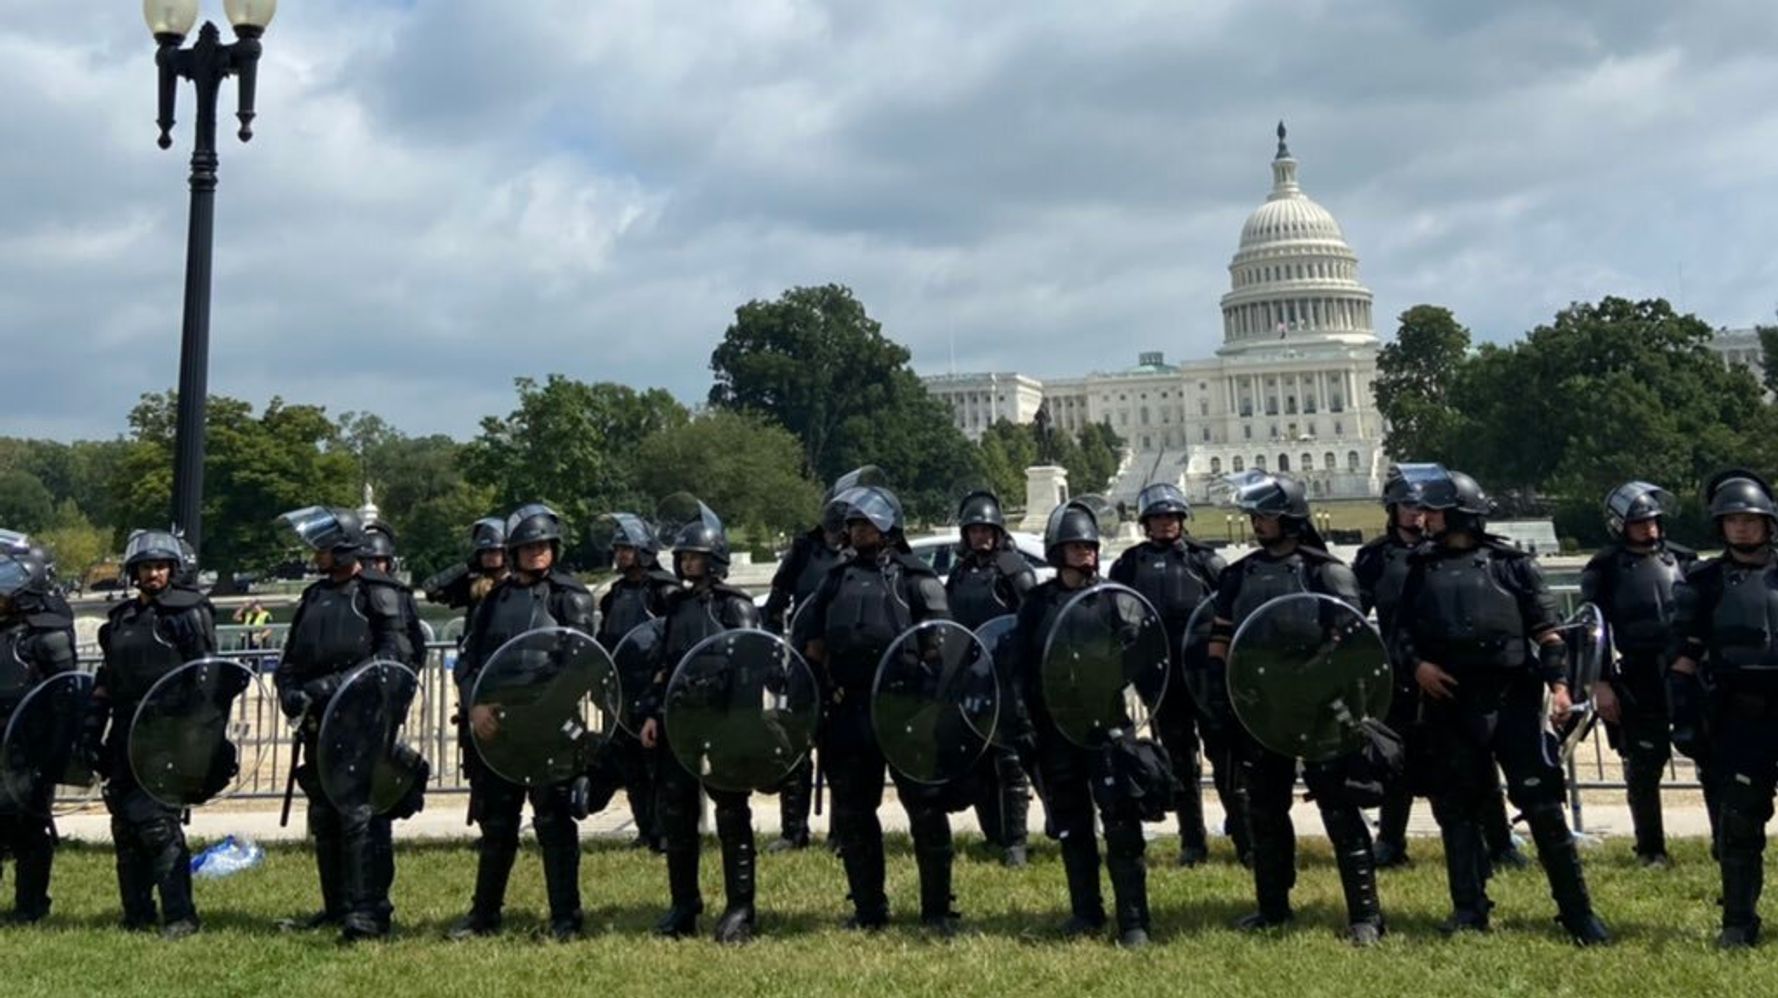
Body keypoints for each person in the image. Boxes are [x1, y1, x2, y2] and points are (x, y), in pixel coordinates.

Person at [1393, 468, 1609, 945]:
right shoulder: (1418, 567)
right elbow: (1401, 633)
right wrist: (1419, 667)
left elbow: (1547, 632)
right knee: (1457, 810)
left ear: (1459, 513)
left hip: (1511, 699)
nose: (1422, 517)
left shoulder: (1513, 564)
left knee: (1544, 808)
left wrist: (1558, 687)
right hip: (1449, 702)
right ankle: (1469, 909)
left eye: (1433, 510)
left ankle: (1578, 914)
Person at [1202, 471, 1386, 945]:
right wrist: (1222, 690)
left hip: (1322, 706)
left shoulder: (1327, 572)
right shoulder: (1238, 574)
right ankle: (1273, 906)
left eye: (1265, 516)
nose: (1257, 524)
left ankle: (1365, 915)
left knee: (1340, 810)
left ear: (1290, 518)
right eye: (1255, 516)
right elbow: (1222, 638)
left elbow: (1349, 640)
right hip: (1265, 708)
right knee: (1264, 809)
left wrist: (1318, 683)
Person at [796, 486, 957, 934]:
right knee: (853, 811)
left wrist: (929, 706)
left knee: (925, 809)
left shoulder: (916, 578)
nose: (856, 530)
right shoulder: (835, 578)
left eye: (865, 523)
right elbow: (809, 640)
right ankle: (868, 909)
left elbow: (941, 650)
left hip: (904, 710)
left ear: (889, 527)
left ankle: (938, 910)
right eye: (852, 524)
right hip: (849, 712)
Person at [1357, 468, 1526, 872]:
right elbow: (1356, 616)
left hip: (1451, 671)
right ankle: (1390, 841)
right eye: (1409, 506)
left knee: (1477, 761)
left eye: (1424, 507)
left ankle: (1498, 842)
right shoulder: (1376, 558)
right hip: (1400, 671)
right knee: (1395, 760)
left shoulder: (1451, 554)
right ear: (1393, 509)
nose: (1418, 514)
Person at [1005, 497, 1155, 948]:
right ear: (1057, 551)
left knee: (1123, 825)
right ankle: (1085, 913)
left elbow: (1141, 658)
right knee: (1071, 824)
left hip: (1106, 724)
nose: (1085, 553)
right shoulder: (1036, 604)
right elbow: (1021, 667)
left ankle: (1133, 921)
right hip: (1056, 726)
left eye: (1089, 546)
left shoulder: (1113, 600)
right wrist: (1025, 722)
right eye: (1075, 547)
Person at [449, 504, 596, 942]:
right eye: (527, 547)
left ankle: (566, 918)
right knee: (497, 823)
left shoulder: (571, 597)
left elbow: (585, 663)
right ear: (513, 552)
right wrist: (475, 705)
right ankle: (483, 915)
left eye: (542, 546)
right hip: (498, 723)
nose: (536, 553)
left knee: (554, 822)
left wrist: (545, 710)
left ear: (554, 547)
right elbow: (469, 660)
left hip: (550, 724)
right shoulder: (495, 598)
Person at [272, 506, 415, 943]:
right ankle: (336, 905)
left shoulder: (380, 593)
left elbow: (396, 657)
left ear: (345, 546)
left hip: (362, 722)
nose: (316, 553)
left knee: (362, 818)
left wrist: (330, 686)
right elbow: (292, 656)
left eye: (324, 546)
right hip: (319, 725)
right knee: (325, 816)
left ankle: (369, 912)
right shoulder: (314, 596)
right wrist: (290, 689)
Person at [638, 502, 765, 943]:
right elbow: (664, 665)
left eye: (695, 555)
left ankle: (740, 907)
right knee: (677, 813)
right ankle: (683, 904)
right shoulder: (677, 607)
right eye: (684, 556)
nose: (687, 561)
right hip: (681, 722)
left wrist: (741, 727)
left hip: (724, 724)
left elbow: (751, 670)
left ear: (714, 559)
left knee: (731, 813)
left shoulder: (737, 608)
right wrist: (654, 712)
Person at [87, 530, 217, 938]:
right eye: (146, 567)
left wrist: (192, 736)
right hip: (125, 730)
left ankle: (180, 915)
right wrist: (92, 728)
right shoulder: (122, 620)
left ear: (173, 570)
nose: (154, 573)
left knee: (158, 825)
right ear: (134, 572)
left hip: (168, 733)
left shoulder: (189, 613)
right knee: (124, 824)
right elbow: (107, 678)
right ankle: (137, 913)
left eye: (160, 566)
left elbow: (206, 677)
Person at [1670, 470, 1778, 948]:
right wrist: (1685, 718)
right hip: (1739, 716)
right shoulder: (1703, 581)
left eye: (1750, 520)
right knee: (1738, 827)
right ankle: (1738, 921)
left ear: (1768, 523)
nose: (1741, 528)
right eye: (1732, 520)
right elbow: (1681, 660)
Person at [1108, 482, 1236, 868]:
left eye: (1171, 516)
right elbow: (1115, 614)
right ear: (1146, 523)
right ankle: (1192, 841)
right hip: (1160, 681)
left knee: (1225, 756)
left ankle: (1245, 835)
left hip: (1206, 677)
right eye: (1157, 517)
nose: (1165, 524)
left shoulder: (1206, 562)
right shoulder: (1130, 564)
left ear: (1182, 519)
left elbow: (1231, 612)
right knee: (1179, 762)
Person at [1581, 481, 1698, 868]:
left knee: (1710, 759)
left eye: (1652, 521)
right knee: (1644, 767)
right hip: (1636, 674)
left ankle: (1726, 843)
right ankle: (1651, 849)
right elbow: (1592, 630)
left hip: (1687, 671)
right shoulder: (1605, 568)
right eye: (1639, 523)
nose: (1649, 528)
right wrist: (1600, 684)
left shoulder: (1685, 559)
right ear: (1620, 525)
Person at [944, 489, 1038, 867]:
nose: (980, 537)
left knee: (1011, 760)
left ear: (998, 532)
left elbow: (1032, 624)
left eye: (986, 530)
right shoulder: (960, 574)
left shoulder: (1014, 571)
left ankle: (1016, 841)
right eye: (973, 531)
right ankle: (993, 833)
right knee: (978, 761)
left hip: (1008, 678)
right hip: (972, 677)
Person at [759, 493, 848, 853]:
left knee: (842, 750)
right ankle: (793, 831)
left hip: (842, 664)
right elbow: (775, 604)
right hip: (802, 660)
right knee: (795, 745)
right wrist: (773, 656)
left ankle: (841, 833)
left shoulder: (859, 556)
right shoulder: (804, 551)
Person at [594, 513, 680, 852]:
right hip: (621, 689)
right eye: (617, 549)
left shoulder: (664, 590)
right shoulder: (614, 594)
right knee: (630, 764)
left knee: (656, 763)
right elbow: (604, 639)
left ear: (643, 549)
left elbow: (671, 639)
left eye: (626, 549)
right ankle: (645, 829)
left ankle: (663, 831)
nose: (620, 555)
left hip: (653, 687)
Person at [0, 547, 77, 924]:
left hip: (29, 747)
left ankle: (30, 906)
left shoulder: (47, 637)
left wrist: (55, 754)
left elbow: (66, 696)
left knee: (28, 829)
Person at [422, 517, 510, 632]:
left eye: (493, 551)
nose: (488, 556)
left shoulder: (518, 582)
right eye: (483, 552)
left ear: (506, 552)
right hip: (477, 645)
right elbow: (432, 589)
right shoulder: (475, 585)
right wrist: (465, 568)